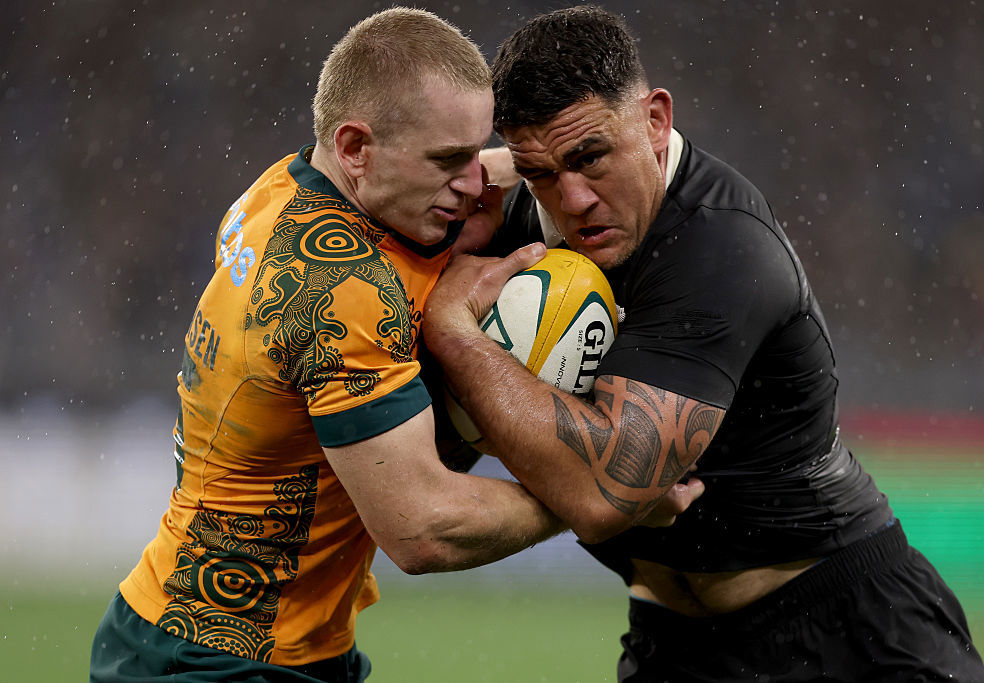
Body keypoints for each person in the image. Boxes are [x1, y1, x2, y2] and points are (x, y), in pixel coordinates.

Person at [89, 9, 698, 682]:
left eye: (475, 154)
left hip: (241, 638)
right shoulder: (338, 292)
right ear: (355, 148)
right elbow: (422, 527)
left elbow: (447, 190)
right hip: (220, 661)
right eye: (448, 161)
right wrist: (607, 491)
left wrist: (545, 167)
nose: (473, 184)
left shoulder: (283, 188)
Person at [423, 5, 984, 682]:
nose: (573, 200)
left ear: (656, 120)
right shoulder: (518, 221)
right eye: (540, 172)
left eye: (592, 157)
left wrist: (454, 333)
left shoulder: (721, 247)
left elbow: (604, 495)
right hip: (673, 643)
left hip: (848, 631)